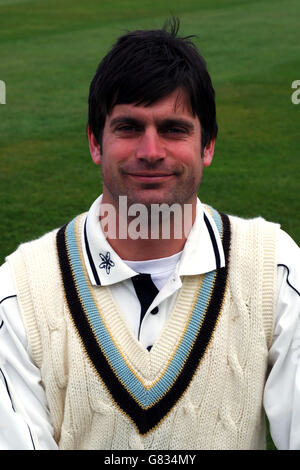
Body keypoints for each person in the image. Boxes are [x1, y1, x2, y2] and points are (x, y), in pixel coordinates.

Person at [0, 19, 299, 451]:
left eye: (174, 129)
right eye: (128, 128)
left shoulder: (274, 267)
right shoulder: (19, 290)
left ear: (208, 145)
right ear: (95, 143)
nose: (151, 151)